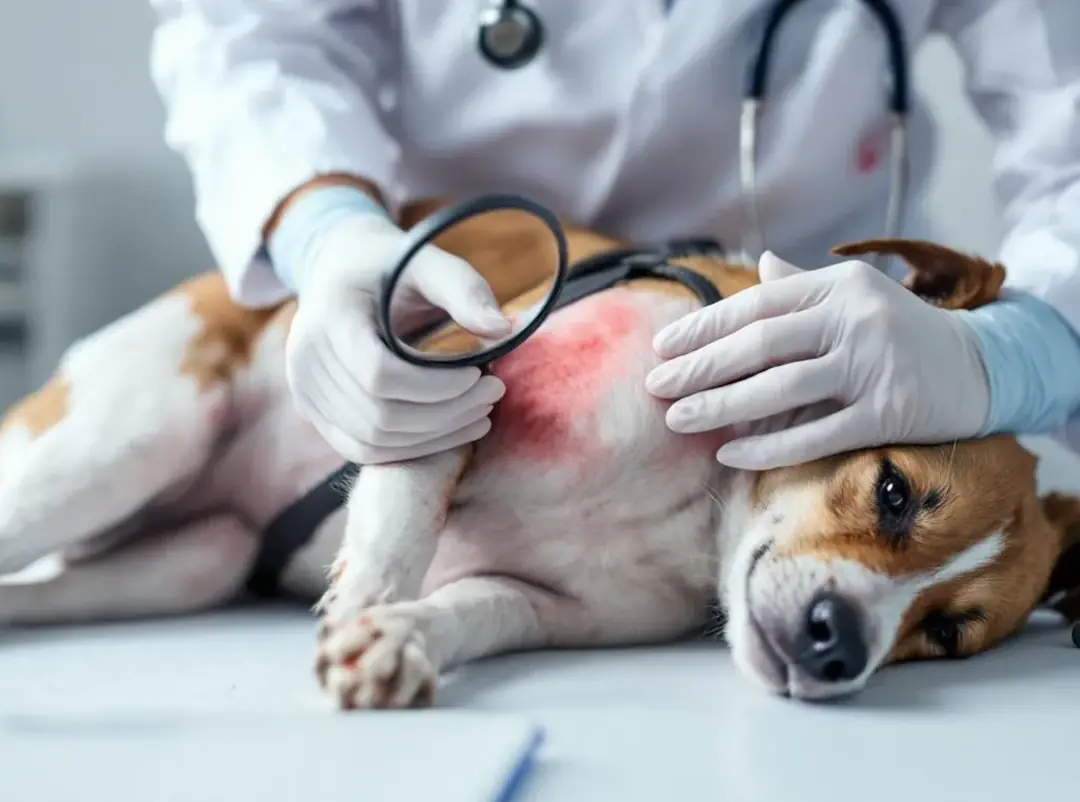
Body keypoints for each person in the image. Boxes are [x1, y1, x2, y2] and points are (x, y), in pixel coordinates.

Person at [148, 0, 1080, 470]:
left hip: (823, 395)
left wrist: (1025, 349)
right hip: (454, 325)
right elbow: (252, 31)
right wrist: (325, 227)